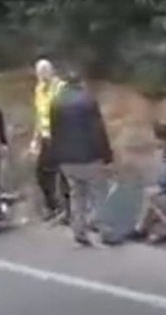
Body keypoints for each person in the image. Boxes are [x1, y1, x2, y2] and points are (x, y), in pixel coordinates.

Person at [50, 70, 113, 246]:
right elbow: (97, 131)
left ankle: (79, 230)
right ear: (81, 82)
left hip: (66, 160)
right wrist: (106, 155)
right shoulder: (87, 101)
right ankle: (106, 231)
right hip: (88, 157)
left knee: (77, 195)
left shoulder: (55, 103)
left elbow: (54, 133)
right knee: (100, 194)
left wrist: (57, 157)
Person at [31, 58, 69, 221]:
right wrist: (35, 138)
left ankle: (68, 212)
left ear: (52, 71)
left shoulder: (60, 88)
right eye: (39, 72)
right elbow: (39, 116)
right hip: (46, 138)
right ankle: (52, 205)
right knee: (42, 173)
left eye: (45, 72)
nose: (42, 75)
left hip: (61, 137)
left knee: (64, 175)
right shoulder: (39, 89)